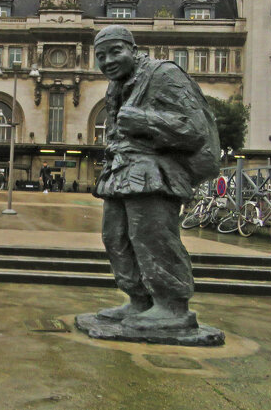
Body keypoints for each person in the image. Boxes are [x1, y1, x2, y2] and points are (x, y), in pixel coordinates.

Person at [91, 25, 220, 332]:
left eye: (115, 51)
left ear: (133, 50)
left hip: (154, 171)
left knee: (152, 235)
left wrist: (144, 120)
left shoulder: (163, 75)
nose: (107, 61)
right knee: (116, 237)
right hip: (122, 170)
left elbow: (195, 128)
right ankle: (139, 300)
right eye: (100, 55)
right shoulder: (117, 86)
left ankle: (172, 305)